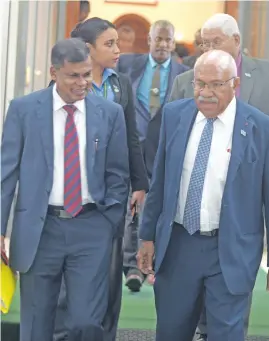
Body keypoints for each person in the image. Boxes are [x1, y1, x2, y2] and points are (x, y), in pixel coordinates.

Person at [137, 50, 269, 341]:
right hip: (179, 247)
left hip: (231, 250)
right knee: (170, 332)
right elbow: (161, 183)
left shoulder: (262, 130)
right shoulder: (174, 116)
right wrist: (147, 237)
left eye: (216, 85)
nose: (205, 93)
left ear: (234, 84)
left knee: (226, 335)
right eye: (199, 83)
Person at [1, 38, 129, 341]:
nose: (82, 83)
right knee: (37, 323)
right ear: (54, 72)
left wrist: (107, 222)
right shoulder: (23, 110)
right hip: (39, 230)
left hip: (90, 227)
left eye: (87, 74)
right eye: (74, 75)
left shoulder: (109, 113)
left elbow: (118, 175)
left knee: (86, 321)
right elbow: (6, 175)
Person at [51, 18, 149, 341]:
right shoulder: (63, 87)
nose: (118, 50)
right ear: (87, 49)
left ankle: (106, 333)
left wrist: (140, 184)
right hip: (74, 196)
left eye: (117, 43)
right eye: (110, 44)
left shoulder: (119, 83)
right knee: (71, 279)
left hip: (113, 195)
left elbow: (132, 137)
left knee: (108, 274)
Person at [116, 19, 189, 292]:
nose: (163, 45)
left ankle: (150, 265)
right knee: (129, 207)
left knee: (155, 207)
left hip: (163, 151)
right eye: (159, 39)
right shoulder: (127, 65)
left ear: (173, 43)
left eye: (168, 40)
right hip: (129, 147)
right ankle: (131, 266)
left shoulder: (186, 74)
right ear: (149, 39)